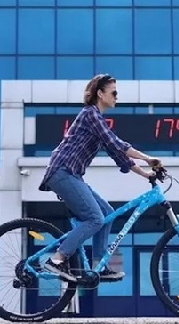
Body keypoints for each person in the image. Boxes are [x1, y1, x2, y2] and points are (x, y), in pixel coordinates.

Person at [38, 74, 162, 282]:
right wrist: (147, 158)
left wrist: (146, 174)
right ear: (100, 94)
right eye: (114, 93)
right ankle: (57, 260)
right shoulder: (90, 114)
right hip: (63, 172)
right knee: (95, 218)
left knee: (107, 213)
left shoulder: (97, 121)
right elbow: (116, 143)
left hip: (71, 174)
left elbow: (119, 156)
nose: (116, 97)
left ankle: (98, 266)